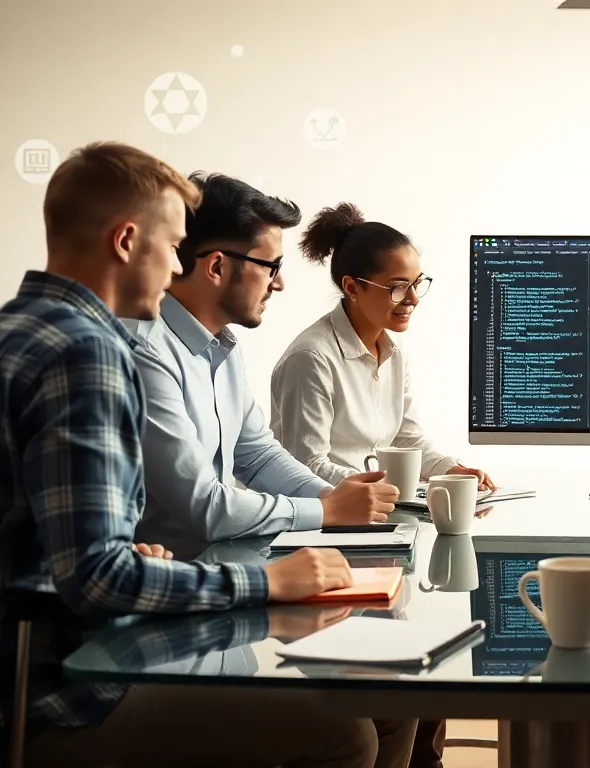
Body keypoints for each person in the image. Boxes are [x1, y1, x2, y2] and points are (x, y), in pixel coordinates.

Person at [0, 141, 415, 767]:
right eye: (171, 246)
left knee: (381, 693)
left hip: (74, 648)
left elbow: (63, 549)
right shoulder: (89, 353)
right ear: (126, 242)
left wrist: (329, 506)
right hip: (59, 694)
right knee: (343, 733)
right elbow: (98, 580)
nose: (176, 267)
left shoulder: (26, 329)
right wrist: (268, 579)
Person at [123, 173, 398, 560]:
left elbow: (259, 454)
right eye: (271, 266)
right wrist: (327, 510)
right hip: (162, 584)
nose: (279, 283)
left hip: (216, 565)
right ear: (216, 267)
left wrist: (331, 496)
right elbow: (204, 508)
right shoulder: (144, 352)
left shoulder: (222, 349)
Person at [270, 203, 491, 490]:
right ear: (352, 288)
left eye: (417, 283)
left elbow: (405, 438)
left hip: (373, 509)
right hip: (322, 517)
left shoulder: (394, 352)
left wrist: (452, 469)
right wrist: (385, 486)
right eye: (398, 287)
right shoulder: (311, 358)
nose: (413, 298)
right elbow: (306, 466)